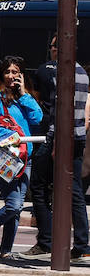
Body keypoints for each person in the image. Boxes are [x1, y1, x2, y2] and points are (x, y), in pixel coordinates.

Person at [19, 34, 90, 262]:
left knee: (38, 186)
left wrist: (55, 143)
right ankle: (81, 245)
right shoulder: (82, 72)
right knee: (75, 191)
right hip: (78, 137)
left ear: (58, 49)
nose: (51, 51)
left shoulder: (63, 73)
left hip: (59, 138)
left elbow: (61, 111)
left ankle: (45, 241)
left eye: (52, 47)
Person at [0, 56, 43, 259]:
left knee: (16, 208)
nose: (11, 76)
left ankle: (5, 251)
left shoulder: (24, 96)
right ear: (2, 74)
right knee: (13, 205)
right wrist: (7, 135)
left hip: (25, 157)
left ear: (21, 75)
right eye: (8, 72)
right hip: (4, 157)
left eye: (15, 72)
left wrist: (23, 94)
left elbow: (37, 118)